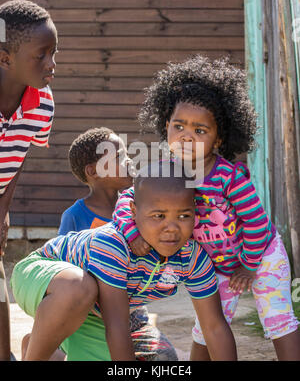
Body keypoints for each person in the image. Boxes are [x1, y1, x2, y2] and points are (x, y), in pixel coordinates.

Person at [113, 55, 300, 361]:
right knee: (208, 323)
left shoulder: (229, 177)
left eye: (200, 131)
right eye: (179, 126)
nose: (187, 135)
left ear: (219, 139)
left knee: (278, 319)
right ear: (166, 127)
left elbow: (256, 223)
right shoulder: (162, 173)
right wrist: (133, 231)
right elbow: (127, 201)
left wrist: (250, 265)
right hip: (213, 266)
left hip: (261, 256)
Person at [10, 161, 237, 361]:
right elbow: (117, 325)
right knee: (79, 288)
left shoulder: (193, 257)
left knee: (163, 359)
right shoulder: (115, 246)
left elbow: (214, 327)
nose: (172, 227)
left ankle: (48, 347)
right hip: (43, 278)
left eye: (183, 216)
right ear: (134, 211)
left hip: (97, 312)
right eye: (159, 216)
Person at [22, 127, 178, 361]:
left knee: (166, 358)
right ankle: (44, 345)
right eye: (119, 157)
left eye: (127, 154)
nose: (129, 161)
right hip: (89, 312)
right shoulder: (74, 216)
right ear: (93, 171)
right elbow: (64, 278)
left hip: (132, 311)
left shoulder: (140, 207)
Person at [0, 0, 58, 360]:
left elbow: (15, 159)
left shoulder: (43, 105)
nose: (52, 64)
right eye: (41, 55)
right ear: (5, 57)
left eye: (55, 53)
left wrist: (3, 210)